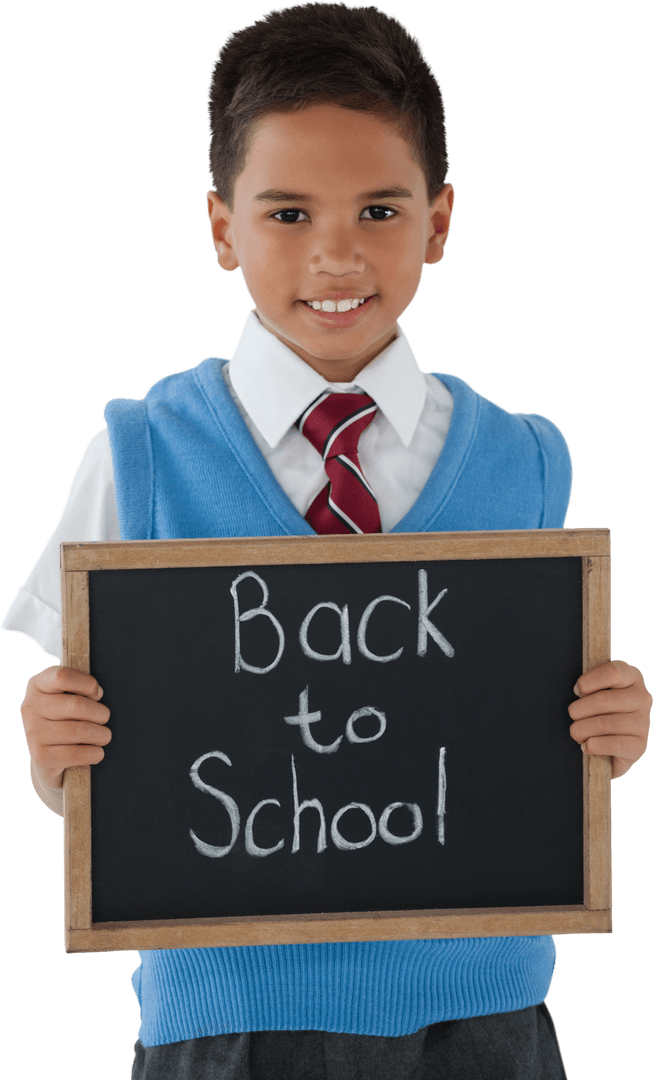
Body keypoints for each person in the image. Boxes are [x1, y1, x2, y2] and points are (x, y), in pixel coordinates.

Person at [3, 4, 650, 1078]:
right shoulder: (139, 458)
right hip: (228, 1021)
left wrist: (605, 739)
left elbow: (520, 732)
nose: (336, 252)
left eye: (380, 209)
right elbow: (94, 766)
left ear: (439, 223)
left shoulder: (524, 463)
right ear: (222, 229)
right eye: (289, 213)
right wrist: (51, 756)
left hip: (479, 1018)